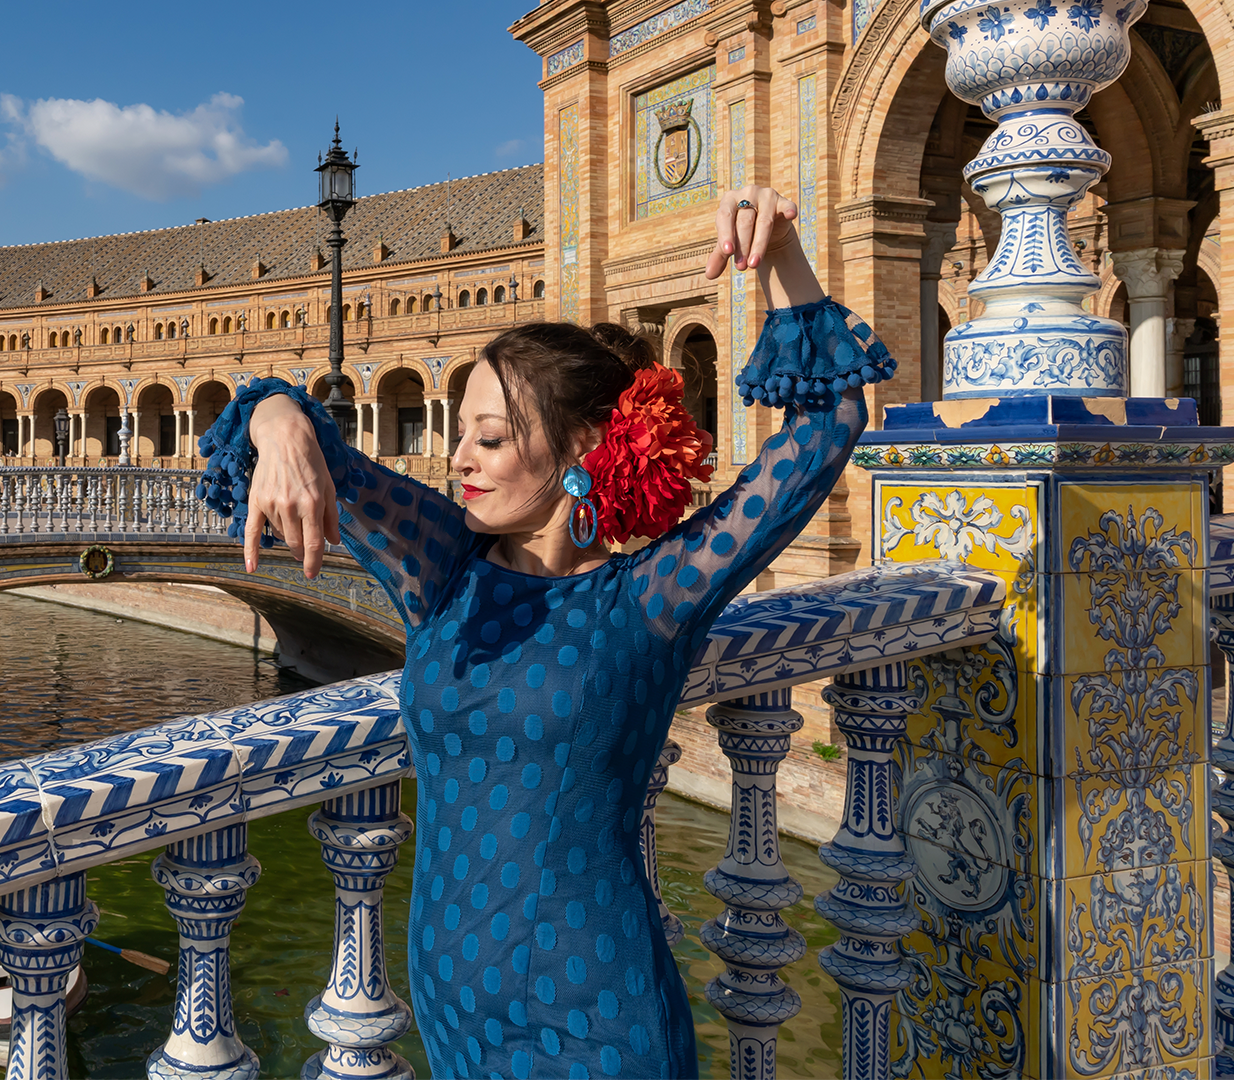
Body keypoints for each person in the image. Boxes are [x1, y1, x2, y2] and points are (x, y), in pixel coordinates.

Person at [196, 186, 892, 1079]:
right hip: (451, 1007)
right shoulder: (443, 570)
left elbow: (825, 429)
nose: (458, 459)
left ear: (582, 446)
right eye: (459, 433)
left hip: (602, 1010)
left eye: (489, 438)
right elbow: (296, 443)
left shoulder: (654, 593)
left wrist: (784, 255)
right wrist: (283, 424)